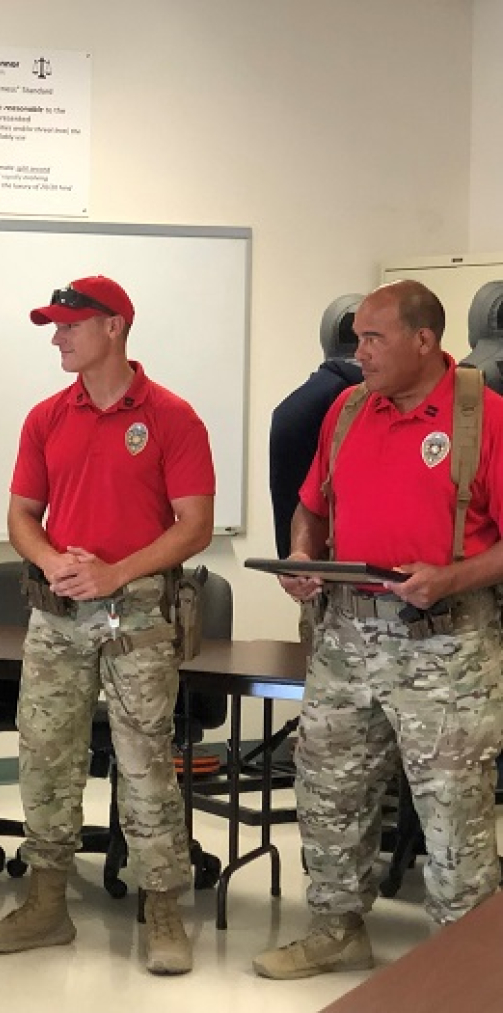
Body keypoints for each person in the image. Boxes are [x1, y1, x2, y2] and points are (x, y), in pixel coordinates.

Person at [254, 280, 503, 979]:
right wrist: (303, 553)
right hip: (346, 638)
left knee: (454, 812)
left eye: (373, 337)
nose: (356, 351)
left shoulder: (485, 419)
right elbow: (312, 505)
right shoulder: (347, 408)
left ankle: (465, 965)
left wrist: (449, 576)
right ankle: (337, 927)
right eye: (357, 336)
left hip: (444, 641)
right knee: (328, 789)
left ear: (425, 340)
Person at [0, 275, 215, 976]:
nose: (58, 336)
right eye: (55, 325)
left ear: (115, 327)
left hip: (135, 616)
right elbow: (21, 513)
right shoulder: (47, 416)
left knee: (143, 764)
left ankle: (163, 907)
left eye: (70, 324)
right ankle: (46, 902)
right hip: (56, 615)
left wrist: (115, 572)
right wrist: (51, 561)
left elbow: (195, 525)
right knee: (45, 756)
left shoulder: (173, 418)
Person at [269, 294, 364, 558]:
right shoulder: (402, 398)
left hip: (317, 569)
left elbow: (287, 496)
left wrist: (294, 560)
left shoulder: (295, 407)